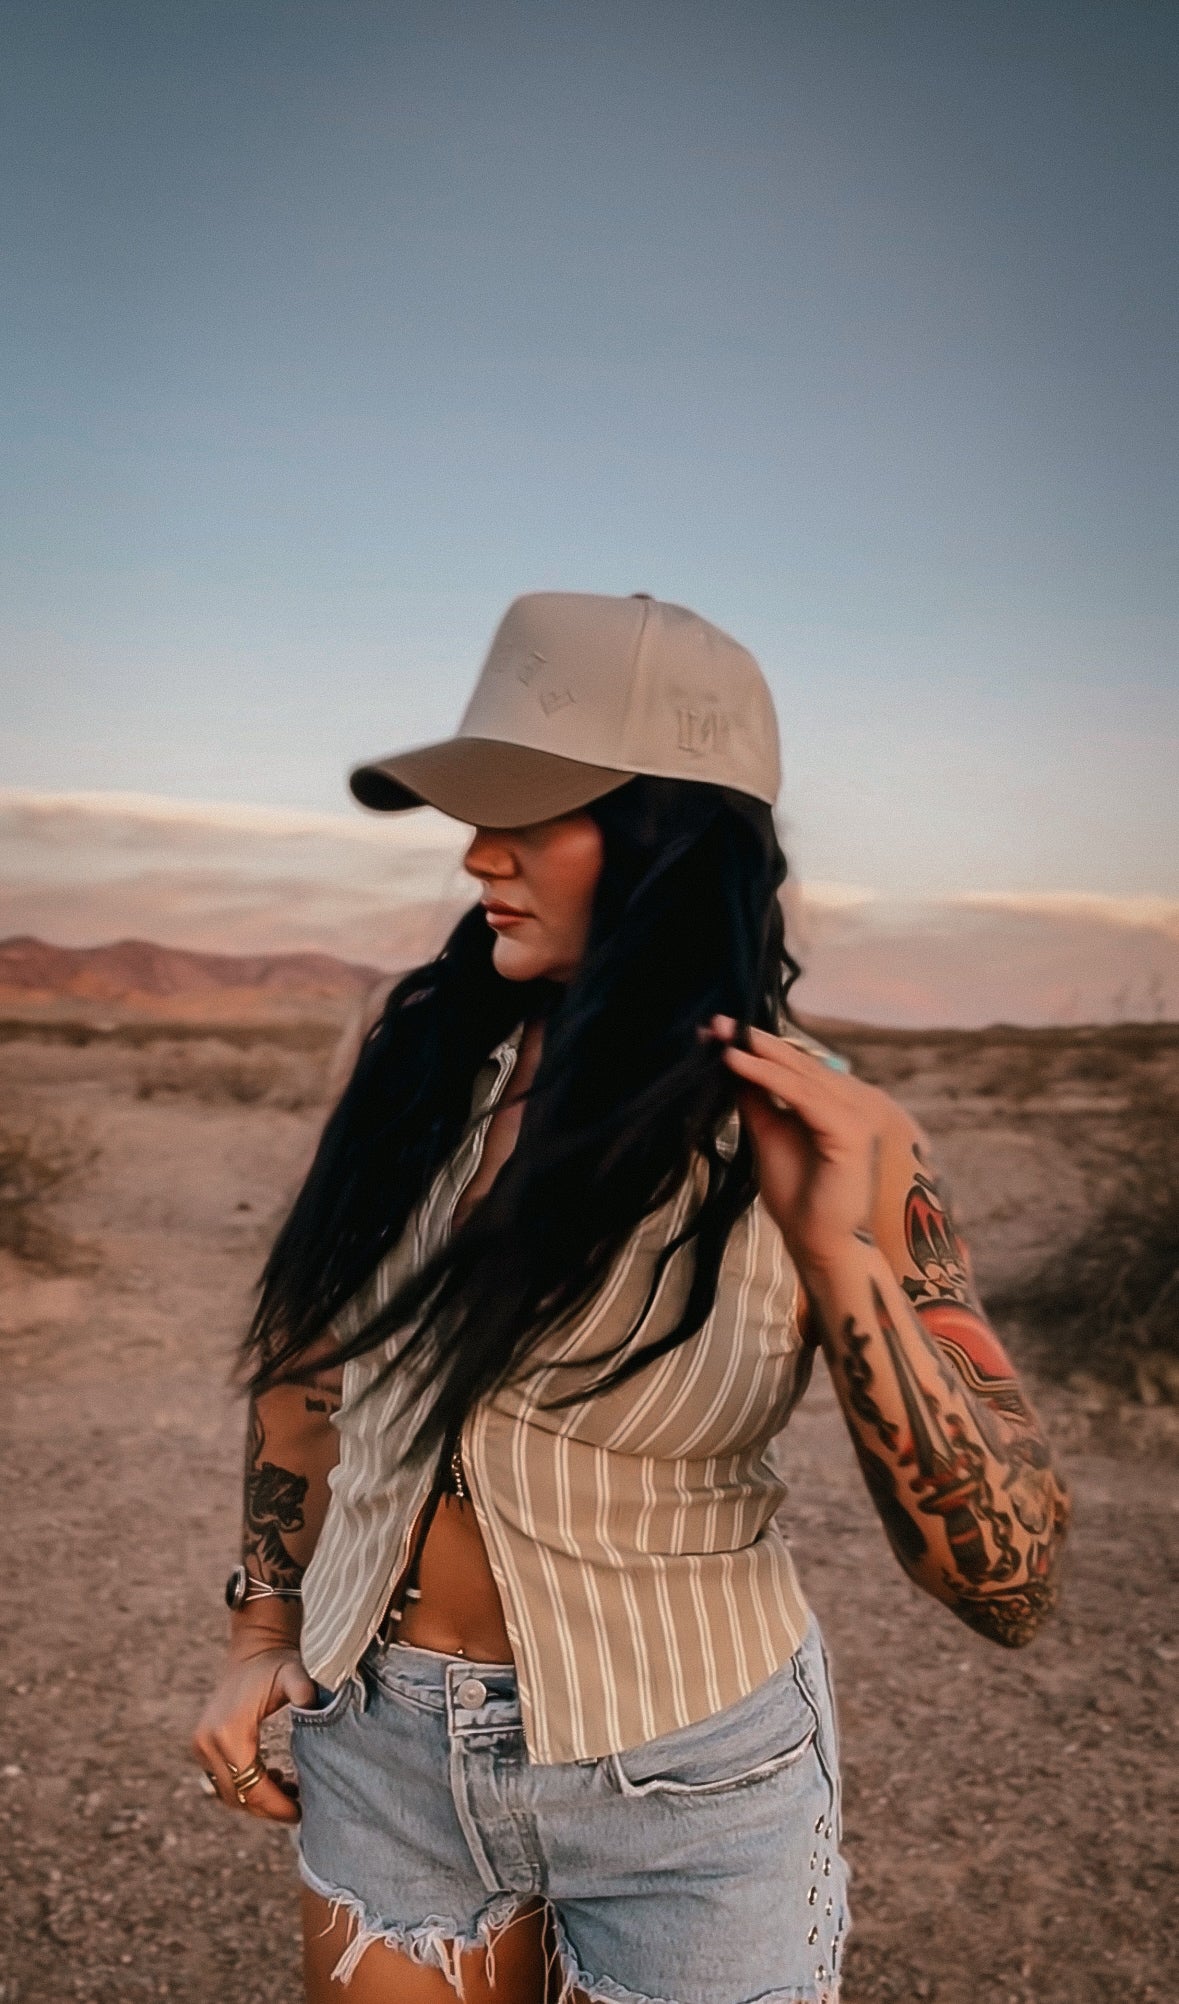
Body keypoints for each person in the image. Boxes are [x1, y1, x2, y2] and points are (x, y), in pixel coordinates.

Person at [192, 592, 1071, 2004]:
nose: (477, 854)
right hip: (382, 1745)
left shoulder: (834, 1135)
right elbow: (311, 1365)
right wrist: (260, 1631)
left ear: (674, 838)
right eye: (478, 814)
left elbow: (1011, 1585)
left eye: (533, 815)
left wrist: (840, 1253)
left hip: (688, 1781)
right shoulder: (416, 1060)